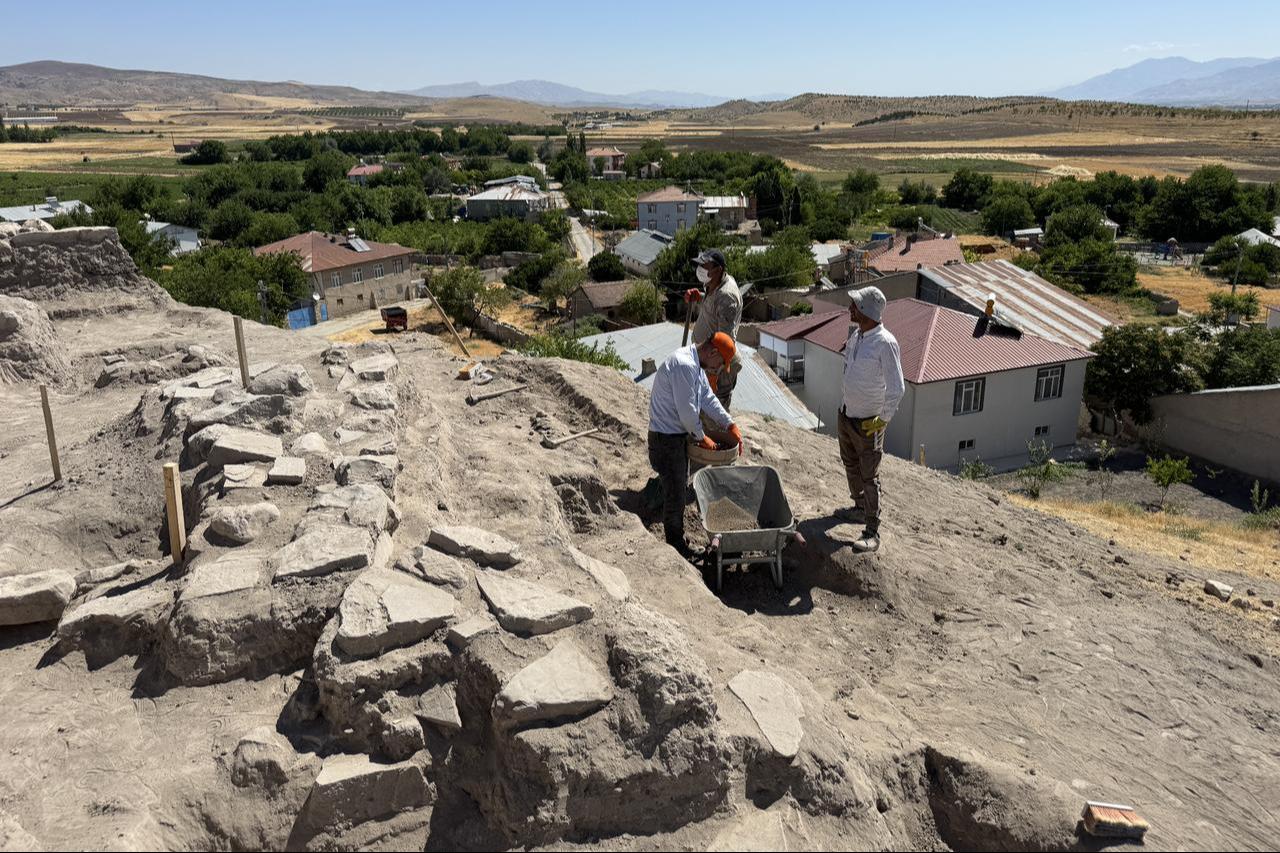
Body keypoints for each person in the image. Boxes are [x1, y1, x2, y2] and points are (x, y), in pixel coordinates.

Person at [648, 332, 744, 554]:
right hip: (665, 440)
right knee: (676, 495)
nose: (719, 368)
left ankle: (676, 540)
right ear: (712, 352)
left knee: (678, 489)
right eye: (720, 363)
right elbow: (688, 414)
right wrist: (702, 438)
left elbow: (707, 398)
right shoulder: (684, 365)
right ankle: (675, 547)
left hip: (675, 436)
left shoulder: (696, 366)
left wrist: (729, 424)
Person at [835, 286, 904, 553]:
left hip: (868, 423)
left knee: (869, 476)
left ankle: (872, 530)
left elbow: (897, 388)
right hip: (847, 415)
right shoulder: (858, 336)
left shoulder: (885, 343)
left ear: (867, 310)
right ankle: (859, 507)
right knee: (850, 464)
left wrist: (881, 420)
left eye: (855, 305)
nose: (850, 308)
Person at [683, 249, 743, 411]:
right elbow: (715, 305)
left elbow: (725, 342)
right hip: (707, 362)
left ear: (718, 269)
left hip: (718, 368)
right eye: (700, 265)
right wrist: (699, 297)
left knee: (714, 414)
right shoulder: (715, 284)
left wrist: (712, 373)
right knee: (701, 410)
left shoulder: (727, 297)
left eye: (705, 266)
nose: (700, 269)